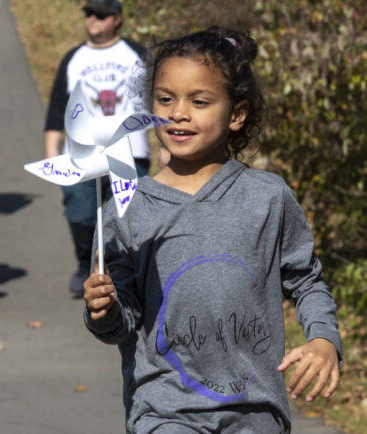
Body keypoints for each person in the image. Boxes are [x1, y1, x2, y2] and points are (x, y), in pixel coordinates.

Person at [83, 26, 343, 433]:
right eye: (164, 99)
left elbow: (307, 281)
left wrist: (324, 340)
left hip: (256, 414)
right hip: (165, 414)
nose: (178, 113)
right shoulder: (124, 210)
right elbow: (121, 324)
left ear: (236, 114)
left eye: (199, 101)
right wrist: (102, 311)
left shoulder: (268, 198)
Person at [44, 0, 150, 297]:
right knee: (80, 215)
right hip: (81, 153)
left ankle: (130, 274)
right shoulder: (73, 58)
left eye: (100, 15)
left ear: (117, 19)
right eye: (89, 13)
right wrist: (52, 152)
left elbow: (157, 98)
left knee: (130, 217)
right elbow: (56, 108)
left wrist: (165, 145)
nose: (92, 19)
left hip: (129, 151)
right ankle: (86, 263)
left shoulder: (137, 53)